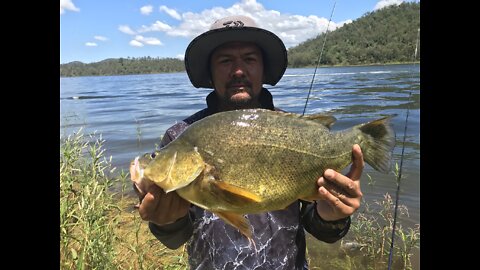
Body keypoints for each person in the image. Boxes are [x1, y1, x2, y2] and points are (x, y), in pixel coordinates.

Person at [135, 15, 364, 269]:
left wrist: (332, 216)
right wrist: (166, 221)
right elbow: (175, 238)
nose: (239, 71)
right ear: (210, 72)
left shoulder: (293, 128)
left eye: (249, 59)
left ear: (263, 69)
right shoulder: (180, 136)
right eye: (225, 61)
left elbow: (321, 227)